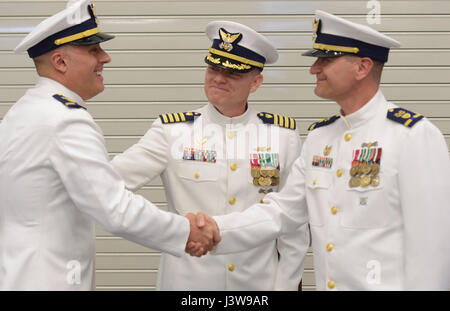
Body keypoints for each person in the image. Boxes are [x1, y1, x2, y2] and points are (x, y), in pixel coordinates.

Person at [207, 10, 450, 290]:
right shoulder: (319, 138)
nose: (314, 69)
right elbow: (282, 212)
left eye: (326, 60)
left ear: (362, 67)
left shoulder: (412, 136)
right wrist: (213, 230)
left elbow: (432, 249)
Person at [0, 0, 219, 291]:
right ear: (60, 62)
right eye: (93, 50)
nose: (106, 58)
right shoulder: (65, 120)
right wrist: (186, 231)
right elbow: (114, 209)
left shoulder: (27, 109)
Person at [110, 21, 310, 290]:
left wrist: (286, 285)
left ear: (256, 82)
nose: (218, 78)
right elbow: (108, 185)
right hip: (188, 284)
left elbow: (294, 226)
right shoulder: (173, 131)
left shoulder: (282, 136)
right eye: (213, 68)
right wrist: (164, 230)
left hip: (256, 285)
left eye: (232, 72)